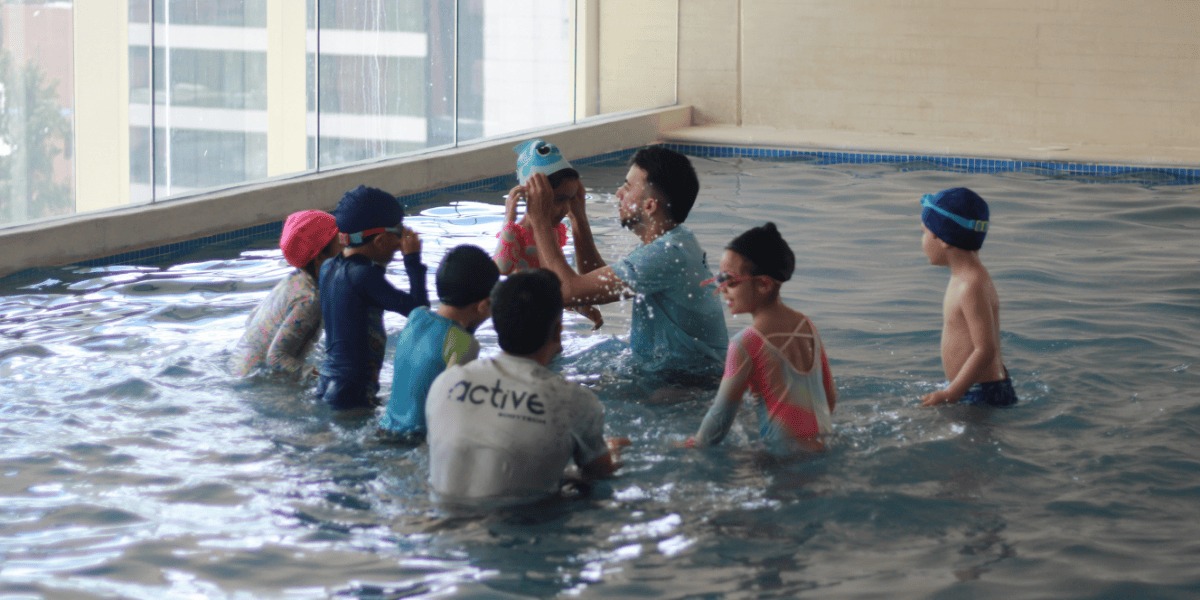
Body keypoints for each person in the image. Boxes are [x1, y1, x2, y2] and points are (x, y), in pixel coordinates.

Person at [425, 269, 627, 509]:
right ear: (557, 331)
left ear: (496, 325)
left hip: (441, 520)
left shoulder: (446, 382)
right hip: (520, 526)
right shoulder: (573, 400)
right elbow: (601, 473)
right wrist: (612, 452)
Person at [524, 146, 728, 378]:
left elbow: (566, 291)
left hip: (689, 383)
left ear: (650, 206)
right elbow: (597, 284)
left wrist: (539, 219)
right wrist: (578, 217)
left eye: (627, 187)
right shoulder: (672, 244)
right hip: (676, 371)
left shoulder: (667, 254)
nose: (618, 193)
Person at [684, 223, 838, 453]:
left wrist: (692, 445)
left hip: (780, 462)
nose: (722, 289)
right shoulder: (807, 326)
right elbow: (830, 399)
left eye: (730, 280)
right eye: (719, 279)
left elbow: (720, 418)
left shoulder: (745, 343)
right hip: (822, 449)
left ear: (764, 284)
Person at [316, 185, 430, 411]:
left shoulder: (328, 267)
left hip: (327, 380)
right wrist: (413, 261)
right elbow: (420, 313)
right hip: (352, 389)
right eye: (398, 236)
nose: (400, 245)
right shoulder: (363, 276)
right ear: (379, 241)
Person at [379, 244, 499, 442]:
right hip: (416, 441)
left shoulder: (416, 316)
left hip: (385, 428)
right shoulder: (463, 342)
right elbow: (455, 409)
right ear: (484, 305)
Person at [918, 187, 1017, 407]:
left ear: (943, 238)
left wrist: (949, 393)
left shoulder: (970, 285)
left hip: (978, 394)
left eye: (924, 232)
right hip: (977, 389)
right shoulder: (970, 278)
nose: (922, 240)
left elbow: (985, 349)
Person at [494, 138, 603, 329]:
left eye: (570, 199)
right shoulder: (517, 233)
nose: (565, 209)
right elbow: (501, 267)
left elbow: (558, 281)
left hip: (550, 323)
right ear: (531, 196)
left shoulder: (554, 233)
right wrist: (508, 218)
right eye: (558, 200)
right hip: (523, 325)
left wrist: (582, 307)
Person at [231, 210, 343, 380]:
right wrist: (319, 377)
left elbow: (253, 319)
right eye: (341, 244)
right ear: (320, 257)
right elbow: (276, 358)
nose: (349, 248)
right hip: (257, 382)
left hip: (239, 364)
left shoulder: (293, 281)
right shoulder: (310, 300)